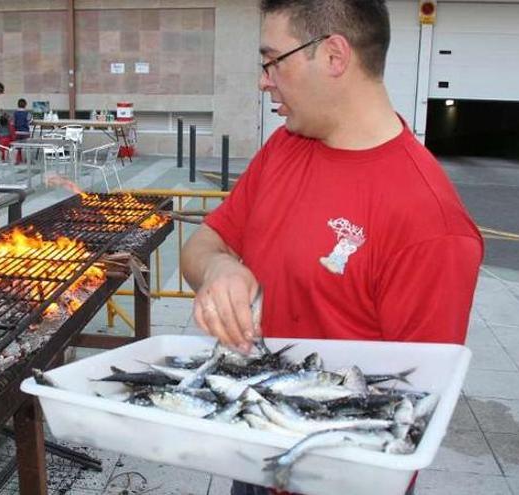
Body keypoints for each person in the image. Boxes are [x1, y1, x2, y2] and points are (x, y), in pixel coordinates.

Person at [180, 1, 483, 494]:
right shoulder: (286, 146)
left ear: (334, 56)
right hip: (256, 448)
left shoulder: (432, 223)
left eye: (273, 59)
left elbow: (408, 412)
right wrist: (217, 270)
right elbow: (203, 243)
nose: (264, 79)